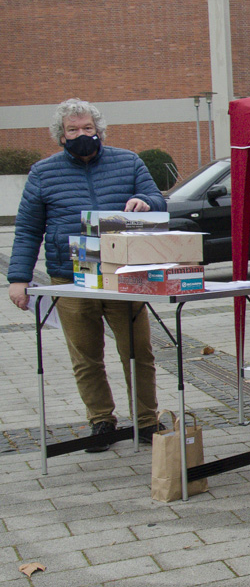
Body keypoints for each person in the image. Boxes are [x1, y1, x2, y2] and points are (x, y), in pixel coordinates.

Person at [6, 98, 166, 452]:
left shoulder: (128, 161)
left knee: (138, 350)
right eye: (73, 130)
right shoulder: (43, 173)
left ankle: (146, 420)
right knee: (86, 356)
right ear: (60, 137)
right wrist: (19, 278)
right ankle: (101, 421)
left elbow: (157, 199)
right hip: (70, 276)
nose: (81, 135)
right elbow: (28, 230)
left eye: (88, 128)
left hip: (122, 273)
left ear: (99, 130)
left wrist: (145, 201)